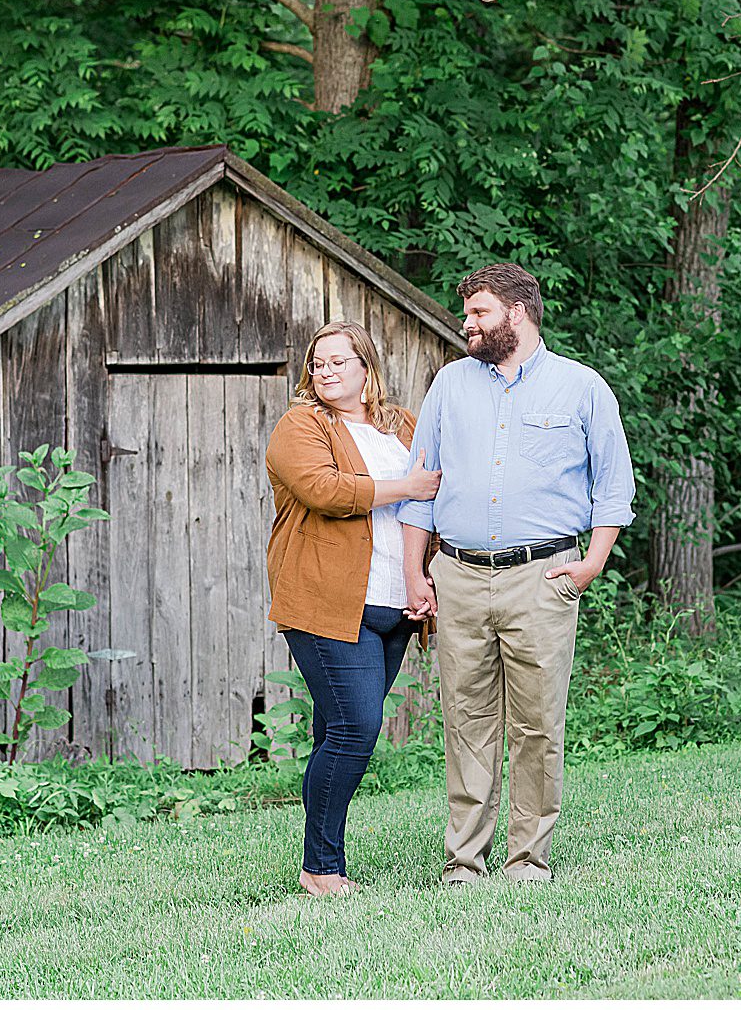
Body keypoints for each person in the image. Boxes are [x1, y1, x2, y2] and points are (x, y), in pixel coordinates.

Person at [398, 262, 636, 884]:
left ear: (519, 312)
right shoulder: (449, 386)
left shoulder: (582, 388)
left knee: (537, 724)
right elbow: (422, 489)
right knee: (467, 721)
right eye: (468, 313)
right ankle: (464, 861)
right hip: (459, 575)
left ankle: (528, 858)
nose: (467, 324)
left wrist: (589, 565)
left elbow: (614, 488)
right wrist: (415, 574)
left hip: (544, 578)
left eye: (479, 313)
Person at [263, 319, 442, 897]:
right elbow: (326, 492)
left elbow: (441, 495)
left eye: (339, 360)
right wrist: (407, 488)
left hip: (396, 602)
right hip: (328, 602)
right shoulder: (302, 426)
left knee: (334, 731)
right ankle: (321, 868)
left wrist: (426, 578)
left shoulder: (403, 428)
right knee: (356, 728)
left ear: (367, 367)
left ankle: (320, 860)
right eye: (317, 362)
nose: (325, 371)